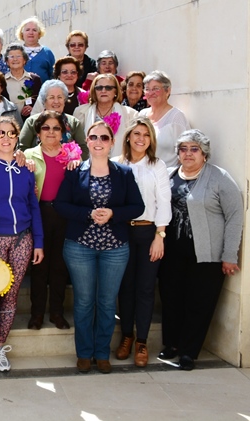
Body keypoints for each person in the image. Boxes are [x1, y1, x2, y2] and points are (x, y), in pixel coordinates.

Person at [53, 122, 145, 374]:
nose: (98, 141)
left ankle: (102, 353)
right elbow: (60, 204)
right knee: (84, 302)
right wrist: (88, 214)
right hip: (80, 246)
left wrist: (113, 213)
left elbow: (137, 207)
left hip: (115, 248)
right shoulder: (75, 171)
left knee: (106, 302)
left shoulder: (124, 173)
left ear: (112, 141)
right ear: (87, 141)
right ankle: (84, 353)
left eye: (104, 137)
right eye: (93, 137)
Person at [158, 130, 243, 371]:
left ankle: (188, 352)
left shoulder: (219, 178)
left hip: (206, 256)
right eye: (183, 149)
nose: (188, 154)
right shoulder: (169, 174)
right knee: (171, 299)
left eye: (194, 149)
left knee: (199, 303)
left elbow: (235, 217)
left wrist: (229, 255)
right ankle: (171, 344)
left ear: (204, 154)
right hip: (172, 252)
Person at [0, 117, 44, 373]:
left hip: (23, 238)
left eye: (10, 133)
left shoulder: (26, 168)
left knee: (11, 296)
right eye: (0, 133)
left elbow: (33, 205)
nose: (5, 138)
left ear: (17, 137)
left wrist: (39, 241)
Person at [113, 117, 171, 367]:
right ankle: (127, 336)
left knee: (146, 289)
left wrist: (160, 235)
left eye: (146, 135)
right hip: (122, 232)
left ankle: (142, 342)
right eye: (136, 133)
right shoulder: (116, 164)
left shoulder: (157, 165)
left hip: (148, 233)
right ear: (127, 137)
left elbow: (164, 202)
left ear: (151, 140)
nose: (140, 138)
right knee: (125, 288)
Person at [24, 111, 80, 330]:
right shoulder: (28, 154)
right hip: (39, 215)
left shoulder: (72, 155)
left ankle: (57, 312)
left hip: (64, 217)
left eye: (56, 128)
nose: (51, 132)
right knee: (39, 267)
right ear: (38, 132)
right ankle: (36, 313)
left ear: (63, 132)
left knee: (59, 267)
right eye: (46, 128)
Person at [19, 80, 89, 159]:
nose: (56, 101)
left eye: (60, 97)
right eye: (51, 97)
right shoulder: (31, 122)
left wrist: (75, 161)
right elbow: (22, 148)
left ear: (64, 100)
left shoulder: (74, 122)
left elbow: (84, 149)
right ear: (44, 101)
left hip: (68, 169)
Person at [74, 73, 137, 158]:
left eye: (108, 88)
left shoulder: (131, 114)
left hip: (119, 165)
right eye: (99, 88)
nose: (103, 91)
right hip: (89, 164)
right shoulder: (80, 112)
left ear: (115, 91)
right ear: (94, 90)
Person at [139, 70, 190, 168]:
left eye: (156, 88)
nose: (150, 93)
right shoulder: (142, 114)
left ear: (168, 91)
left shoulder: (176, 117)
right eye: (147, 89)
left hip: (168, 177)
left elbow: (185, 151)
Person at [4, 43, 42, 120]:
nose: (15, 59)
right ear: (7, 61)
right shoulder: (2, 81)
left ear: (24, 60)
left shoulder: (35, 79)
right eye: (11, 57)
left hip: (31, 121)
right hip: (9, 122)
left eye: (18, 56)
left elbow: (41, 102)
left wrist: (32, 108)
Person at [17, 17, 54, 82]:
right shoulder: (16, 52)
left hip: (43, 91)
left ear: (39, 34)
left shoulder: (47, 53)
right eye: (27, 30)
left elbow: (53, 75)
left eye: (34, 30)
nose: (31, 33)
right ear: (22, 34)